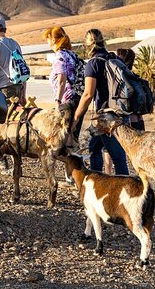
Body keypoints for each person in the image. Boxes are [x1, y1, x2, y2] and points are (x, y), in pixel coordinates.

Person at [72, 29, 129, 175]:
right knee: (94, 148)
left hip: (106, 117)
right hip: (120, 111)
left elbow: (88, 94)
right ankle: (96, 181)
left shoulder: (93, 64)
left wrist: (76, 117)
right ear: (103, 42)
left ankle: (126, 192)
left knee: (118, 158)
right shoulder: (114, 58)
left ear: (86, 45)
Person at [42, 26, 83, 185]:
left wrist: (58, 101)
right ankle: (73, 174)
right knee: (73, 136)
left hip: (67, 100)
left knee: (66, 139)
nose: (48, 42)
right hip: (77, 99)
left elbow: (61, 79)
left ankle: (74, 175)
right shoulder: (73, 54)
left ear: (54, 39)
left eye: (48, 38)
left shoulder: (60, 56)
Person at [0, 17, 26, 105]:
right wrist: (23, 93)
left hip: (2, 88)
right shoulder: (15, 43)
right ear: (5, 29)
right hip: (18, 86)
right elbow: (22, 67)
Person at [116, 48, 145, 131]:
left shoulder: (125, 77)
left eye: (119, 57)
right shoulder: (134, 76)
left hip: (131, 119)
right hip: (140, 118)